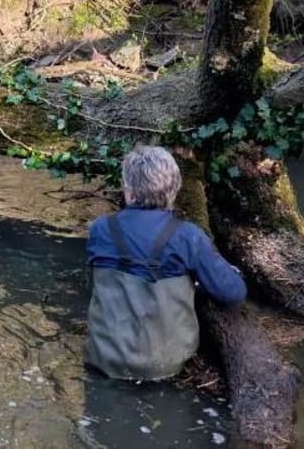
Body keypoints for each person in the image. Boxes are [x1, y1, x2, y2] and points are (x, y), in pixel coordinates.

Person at [84, 146, 247, 381]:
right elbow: (233, 293)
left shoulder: (100, 229)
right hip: (165, 366)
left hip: (102, 358)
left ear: (128, 189)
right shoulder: (188, 236)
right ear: (175, 188)